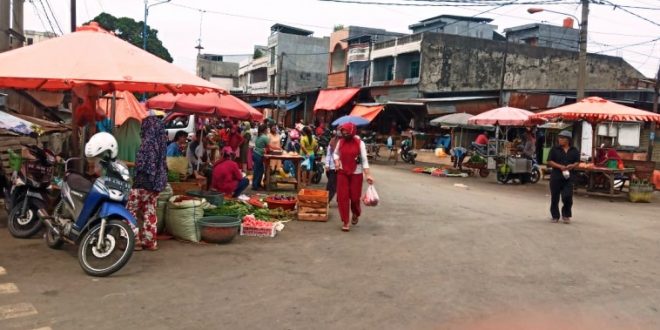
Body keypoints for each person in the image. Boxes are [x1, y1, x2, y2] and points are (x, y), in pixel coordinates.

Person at [127, 115, 168, 251]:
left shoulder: (147, 143)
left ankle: (135, 241)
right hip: (156, 183)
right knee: (149, 212)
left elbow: (144, 165)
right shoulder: (161, 143)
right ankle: (150, 242)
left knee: (130, 210)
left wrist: (129, 164)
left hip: (143, 182)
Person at [334, 122, 374, 232]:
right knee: (343, 197)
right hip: (342, 172)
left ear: (352, 131)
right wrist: (337, 161)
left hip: (356, 173)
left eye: (347, 132)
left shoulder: (359, 143)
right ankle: (345, 221)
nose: (345, 134)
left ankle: (356, 213)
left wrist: (368, 175)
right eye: (343, 132)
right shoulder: (341, 142)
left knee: (355, 198)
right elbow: (336, 153)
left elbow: (364, 160)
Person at [547, 130, 580, 224]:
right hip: (556, 176)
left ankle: (566, 215)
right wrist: (560, 166)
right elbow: (549, 161)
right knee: (555, 197)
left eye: (562, 138)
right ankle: (555, 216)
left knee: (568, 196)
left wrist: (572, 166)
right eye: (559, 138)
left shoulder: (574, 150)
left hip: (569, 177)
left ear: (568, 140)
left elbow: (577, 161)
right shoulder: (554, 149)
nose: (560, 140)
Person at [252, 124, 270, 190]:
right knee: (259, 170)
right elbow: (268, 147)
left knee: (259, 170)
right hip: (259, 154)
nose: (268, 130)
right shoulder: (265, 137)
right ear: (265, 129)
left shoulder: (259, 135)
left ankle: (257, 184)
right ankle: (255, 185)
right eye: (267, 129)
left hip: (255, 153)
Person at [325, 131, 338, 201]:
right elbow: (328, 154)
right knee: (331, 185)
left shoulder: (346, 142)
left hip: (342, 168)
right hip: (332, 167)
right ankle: (327, 200)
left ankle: (340, 199)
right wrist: (327, 164)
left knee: (341, 185)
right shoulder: (332, 141)